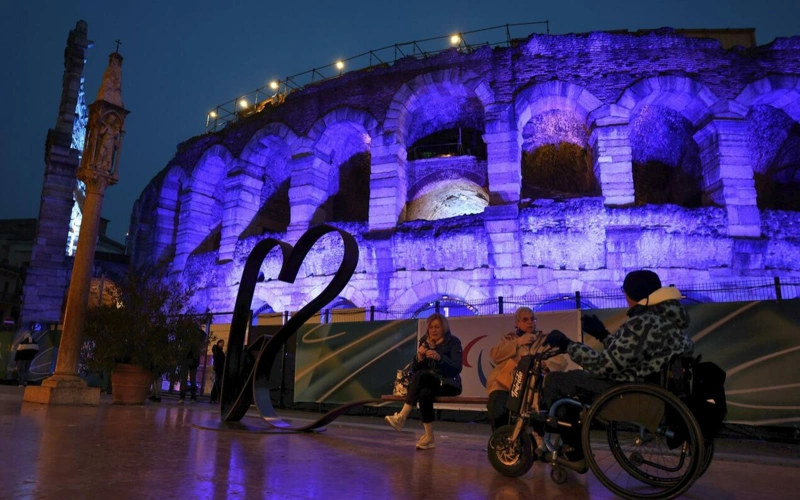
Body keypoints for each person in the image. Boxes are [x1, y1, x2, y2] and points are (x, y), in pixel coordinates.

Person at [540, 269, 694, 461]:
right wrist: (603, 335)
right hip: (651, 390)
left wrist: (567, 345)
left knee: (556, 380)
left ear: (632, 294)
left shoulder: (643, 322)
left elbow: (604, 366)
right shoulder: (666, 320)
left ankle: (571, 447)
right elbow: (631, 356)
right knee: (575, 380)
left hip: (631, 392)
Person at [385, 313, 463, 450]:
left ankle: (402, 416)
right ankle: (429, 436)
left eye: (437, 327)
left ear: (444, 328)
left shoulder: (453, 342)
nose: (433, 330)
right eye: (431, 327)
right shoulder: (424, 341)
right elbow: (416, 369)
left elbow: (457, 368)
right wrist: (419, 357)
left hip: (449, 384)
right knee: (423, 393)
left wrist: (440, 358)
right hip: (429, 382)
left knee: (421, 376)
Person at [485, 307, 568, 432]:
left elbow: (561, 361)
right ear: (517, 322)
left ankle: (537, 438)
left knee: (552, 409)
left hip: (535, 387)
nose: (530, 322)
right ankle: (502, 438)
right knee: (497, 407)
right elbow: (495, 355)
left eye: (532, 319)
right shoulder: (509, 339)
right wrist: (517, 342)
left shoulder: (545, 340)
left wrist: (543, 363)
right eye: (525, 319)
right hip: (507, 385)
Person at [178, 327, 205, 404]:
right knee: (192, 380)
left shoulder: (188, 339)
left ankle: (183, 397)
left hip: (188, 361)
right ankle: (192, 397)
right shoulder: (197, 341)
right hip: (192, 362)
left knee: (186, 380)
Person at [209, 339, 225, 404]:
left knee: (217, 382)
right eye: (221, 343)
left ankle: (213, 398)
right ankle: (215, 397)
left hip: (221, 369)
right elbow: (217, 356)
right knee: (218, 382)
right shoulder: (216, 349)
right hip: (218, 368)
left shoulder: (221, 352)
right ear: (218, 343)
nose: (222, 344)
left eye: (223, 343)